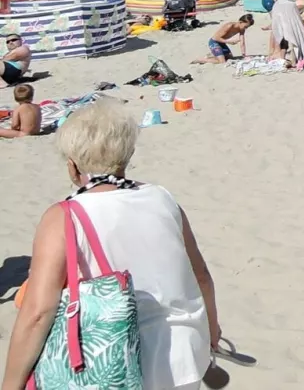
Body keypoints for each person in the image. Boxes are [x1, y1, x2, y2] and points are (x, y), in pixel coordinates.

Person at [1, 100, 221, 389]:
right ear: (126, 155)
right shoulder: (162, 198)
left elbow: (38, 312)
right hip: (184, 354)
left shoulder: (64, 216)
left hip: (113, 361)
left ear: (72, 165)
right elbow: (201, 274)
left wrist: (10, 384)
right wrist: (212, 330)